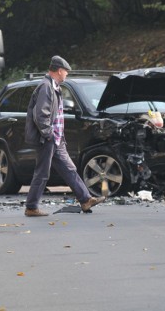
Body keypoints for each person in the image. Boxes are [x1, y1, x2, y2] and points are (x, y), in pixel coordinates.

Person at [23, 55, 105, 216]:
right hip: (48, 139)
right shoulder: (46, 87)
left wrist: (56, 137)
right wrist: (48, 135)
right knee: (42, 173)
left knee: (69, 169)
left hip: (56, 139)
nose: (67, 74)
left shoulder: (54, 87)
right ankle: (31, 207)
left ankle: (86, 200)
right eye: (66, 71)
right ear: (59, 71)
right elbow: (41, 115)